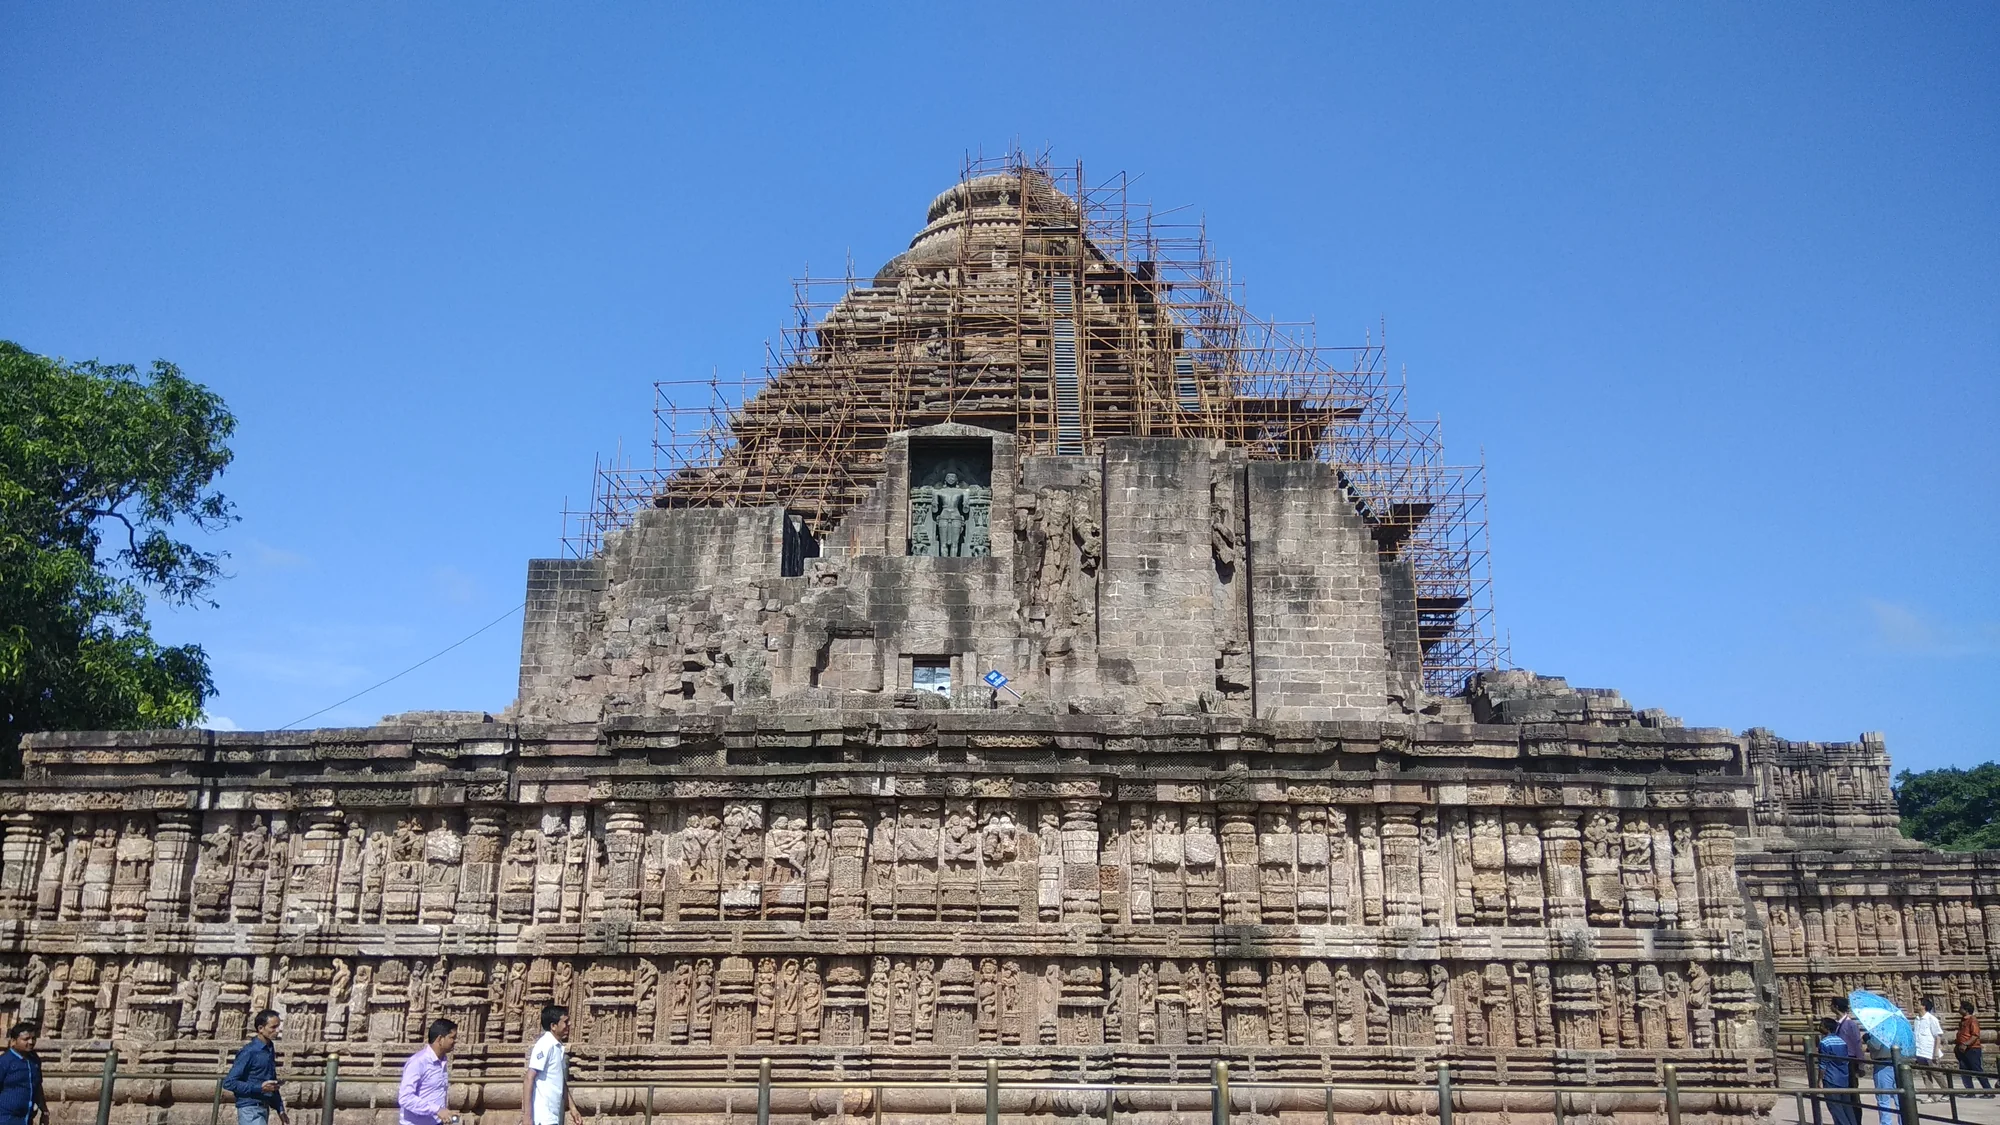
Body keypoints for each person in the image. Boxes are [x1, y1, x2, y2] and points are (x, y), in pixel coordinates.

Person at [223, 1010, 290, 1125]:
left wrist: (281, 1110)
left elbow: (270, 1080)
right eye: (273, 1027)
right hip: (249, 1109)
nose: (277, 1031)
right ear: (260, 1028)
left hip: (263, 1107)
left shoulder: (269, 1048)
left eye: (278, 1026)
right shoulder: (249, 1051)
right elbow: (229, 1083)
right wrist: (259, 1088)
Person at [523, 1005, 581, 1125]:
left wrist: (573, 1108)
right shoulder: (545, 1045)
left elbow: (561, 1081)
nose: (569, 1024)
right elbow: (529, 1078)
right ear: (553, 1026)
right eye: (565, 1021)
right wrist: (527, 1116)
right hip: (543, 1116)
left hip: (552, 1115)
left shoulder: (558, 1047)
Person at [399, 1019, 457, 1125]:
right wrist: (437, 1110)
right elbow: (405, 1098)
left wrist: (445, 1113)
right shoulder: (418, 1062)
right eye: (451, 1037)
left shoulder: (442, 1061)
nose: (454, 1041)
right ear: (440, 1039)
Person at [1817, 1017, 1862, 1125]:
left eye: (1821, 1025)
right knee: (1847, 1106)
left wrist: (1819, 1079)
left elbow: (1823, 1063)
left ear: (1827, 1028)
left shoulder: (1824, 1042)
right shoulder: (1842, 1041)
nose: (1819, 1027)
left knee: (1835, 1107)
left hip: (1831, 1078)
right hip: (1843, 1078)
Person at [0, 1023, 48, 1125]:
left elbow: (38, 1087)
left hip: (26, 1118)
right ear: (13, 1041)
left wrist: (44, 1110)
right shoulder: (4, 1062)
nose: (31, 1042)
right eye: (26, 1039)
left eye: (33, 1038)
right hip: (6, 1119)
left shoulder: (34, 1060)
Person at [1913, 999, 1946, 1096]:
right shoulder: (1917, 1019)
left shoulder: (1931, 1019)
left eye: (1918, 1003)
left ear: (1924, 1006)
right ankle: (1931, 1095)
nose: (1916, 1004)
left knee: (1936, 1073)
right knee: (1925, 1074)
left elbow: (1938, 1036)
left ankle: (1947, 1092)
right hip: (1920, 1051)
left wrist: (1936, 1051)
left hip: (1930, 1051)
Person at [1957, 1000, 1992, 1091]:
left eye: (1961, 1008)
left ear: (1966, 1010)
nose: (1959, 1009)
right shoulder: (1962, 1020)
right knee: (1964, 1070)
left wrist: (1966, 1043)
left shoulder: (1973, 1020)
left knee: (1977, 1070)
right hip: (1962, 1049)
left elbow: (1975, 1035)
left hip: (1972, 1049)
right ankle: (1970, 1091)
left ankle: (1988, 1090)